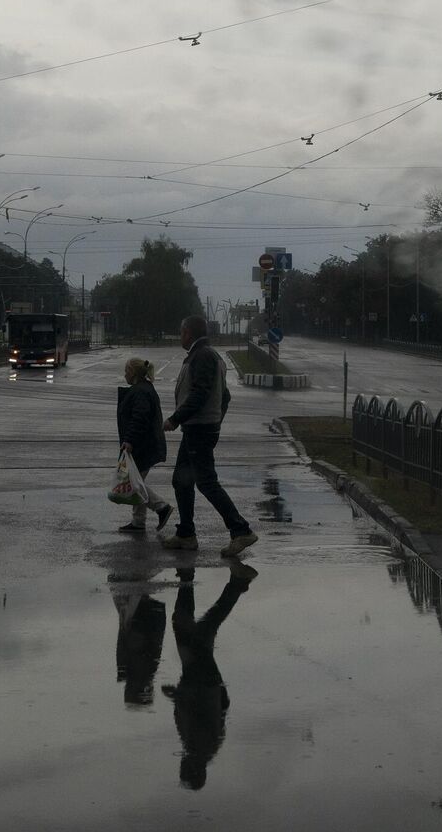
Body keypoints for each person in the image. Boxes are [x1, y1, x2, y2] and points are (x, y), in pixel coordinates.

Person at [161, 315, 258, 557]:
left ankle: (241, 530)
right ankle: (186, 534)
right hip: (198, 428)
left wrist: (176, 419)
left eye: (181, 332)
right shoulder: (206, 355)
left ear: (188, 333)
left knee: (206, 482)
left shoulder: (202, 356)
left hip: (199, 430)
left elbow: (200, 394)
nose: (180, 336)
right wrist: (216, 421)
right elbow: (225, 397)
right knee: (181, 480)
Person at [162, 561, 256, 790]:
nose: (181, 766)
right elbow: (197, 710)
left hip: (202, 682)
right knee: (192, 627)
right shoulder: (200, 746)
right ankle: (230, 582)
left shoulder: (200, 748)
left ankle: (205, 580)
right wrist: (178, 695)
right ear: (193, 768)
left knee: (198, 627)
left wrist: (180, 695)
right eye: (184, 770)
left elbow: (219, 709)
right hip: (200, 681)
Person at [115, 357, 173, 533]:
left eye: (126, 371)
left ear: (133, 373)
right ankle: (138, 522)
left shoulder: (140, 391)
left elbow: (139, 418)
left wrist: (129, 440)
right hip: (145, 444)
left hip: (141, 446)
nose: (124, 374)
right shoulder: (143, 389)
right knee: (137, 481)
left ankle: (161, 507)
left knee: (134, 484)